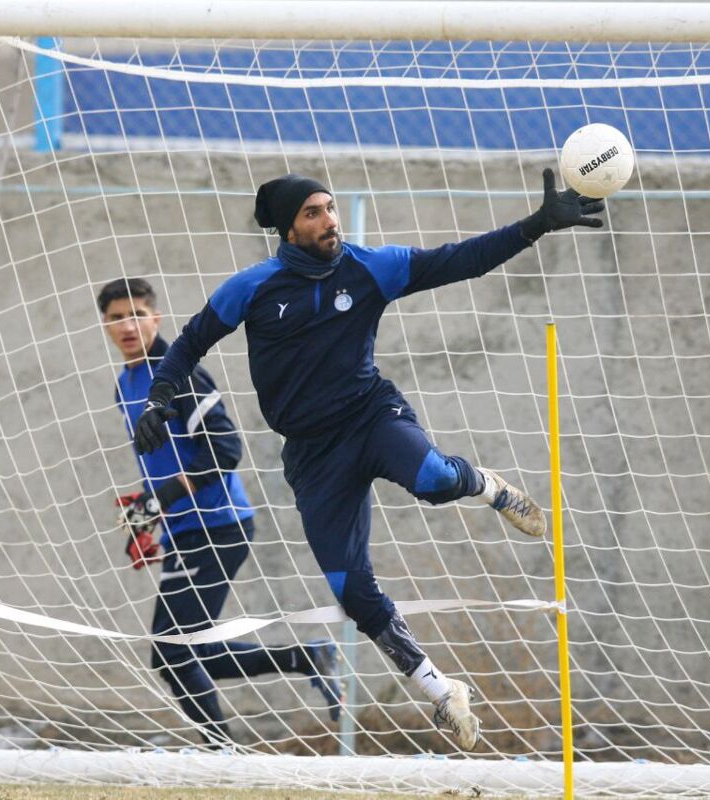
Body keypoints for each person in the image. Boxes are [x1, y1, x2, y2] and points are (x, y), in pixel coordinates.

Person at [132, 171, 604, 751]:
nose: (329, 220)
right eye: (312, 212)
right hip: (312, 455)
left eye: (330, 209)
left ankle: (489, 487)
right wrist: (159, 398)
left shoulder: (370, 267)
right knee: (352, 592)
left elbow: (462, 260)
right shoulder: (252, 288)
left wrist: (537, 225)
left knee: (432, 478)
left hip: (371, 417)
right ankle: (441, 691)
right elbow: (188, 343)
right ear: (286, 228)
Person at [98, 277, 343, 747]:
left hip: (219, 524)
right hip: (183, 529)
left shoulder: (179, 373)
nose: (127, 325)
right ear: (105, 326)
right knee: (181, 651)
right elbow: (163, 459)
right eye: (116, 318)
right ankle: (303, 658)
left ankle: (223, 753)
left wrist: (167, 496)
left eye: (137, 314)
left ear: (157, 318)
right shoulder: (124, 384)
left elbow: (227, 447)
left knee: (171, 653)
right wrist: (149, 511)